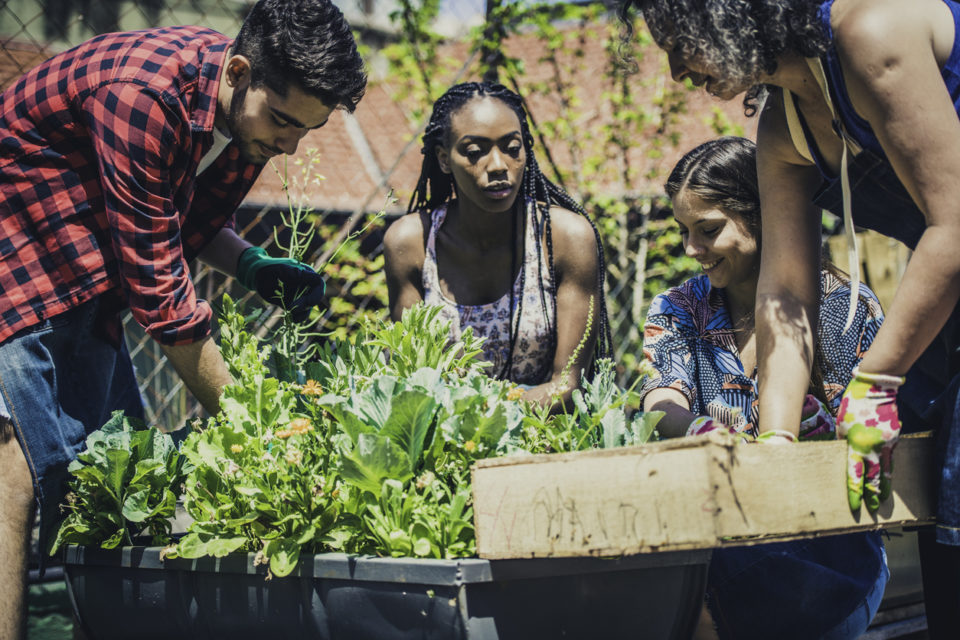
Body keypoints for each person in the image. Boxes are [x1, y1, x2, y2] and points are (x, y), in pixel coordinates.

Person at [0, 0, 366, 636]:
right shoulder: (142, 95)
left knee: (114, 480)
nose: (288, 144)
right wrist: (257, 426)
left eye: (304, 131)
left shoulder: (234, 104)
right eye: (283, 121)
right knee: (17, 478)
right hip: (17, 265)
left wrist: (248, 262)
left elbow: (175, 215)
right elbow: (163, 301)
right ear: (242, 70)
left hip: (85, 281)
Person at [619, 0, 960, 635]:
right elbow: (785, 300)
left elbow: (955, 223)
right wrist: (775, 445)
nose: (673, 71)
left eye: (676, 41)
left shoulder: (870, 31)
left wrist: (876, 380)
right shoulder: (782, 126)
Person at [641, 136, 888, 640]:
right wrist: (697, 429)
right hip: (718, 532)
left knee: (700, 601)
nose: (692, 250)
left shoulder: (843, 310)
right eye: (684, 231)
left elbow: (868, 446)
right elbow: (661, 400)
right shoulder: (680, 308)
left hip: (830, 547)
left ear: (762, 213)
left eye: (708, 230)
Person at [383, 81, 612, 405]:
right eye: (475, 152)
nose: (498, 165)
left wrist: (484, 419)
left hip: (547, 438)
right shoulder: (412, 243)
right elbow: (409, 374)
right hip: (443, 444)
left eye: (512, 148)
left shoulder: (564, 238)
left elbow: (567, 386)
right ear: (444, 158)